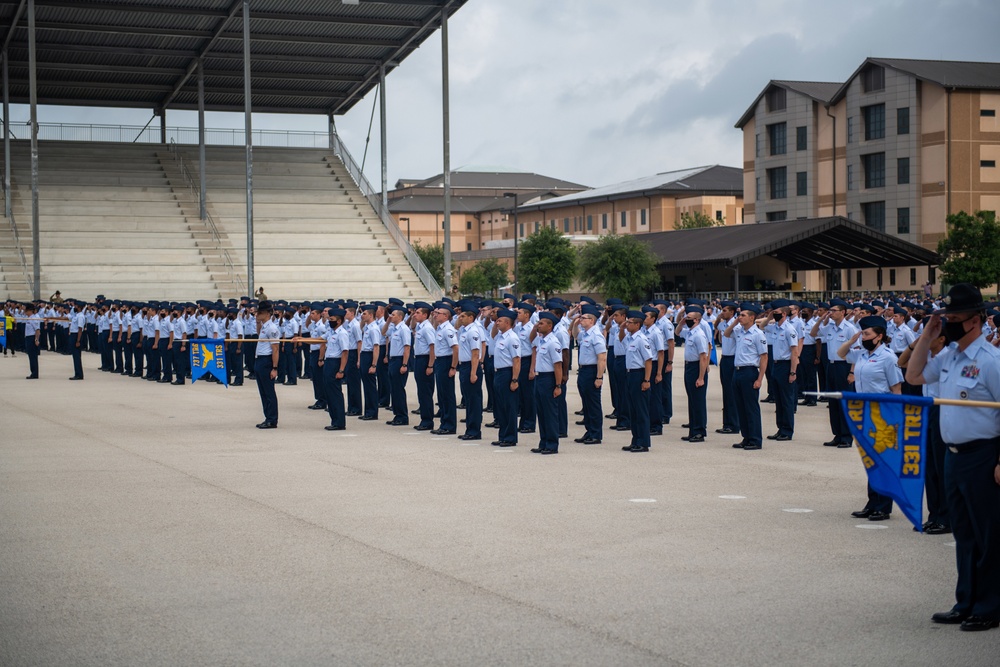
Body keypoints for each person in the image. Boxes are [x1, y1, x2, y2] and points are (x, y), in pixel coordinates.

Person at [907, 283, 1000, 632]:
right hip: (954, 456)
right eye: (944, 318)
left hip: (983, 455)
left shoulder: (991, 362)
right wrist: (926, 336)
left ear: (975, 320)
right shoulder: (950, 356)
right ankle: (966, 601)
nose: (947, 323)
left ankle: (990, 606)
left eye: (953, 318)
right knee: (963, 533)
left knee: (988, 533)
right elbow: (914, 375)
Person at [840, 315, 903, 522]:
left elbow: (896, 389)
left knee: (883, 460)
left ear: (880, 336)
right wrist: (852, 340)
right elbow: (840, 353)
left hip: (883, 412)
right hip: (865, 411)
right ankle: (872, 502)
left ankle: (883, 506)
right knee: (871, 461)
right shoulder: (862, 355)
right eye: (862, 333)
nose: (863, 337)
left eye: (867, 334)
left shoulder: (889, 357)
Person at [812, 298, 859, 447]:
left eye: (834, 311)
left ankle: (846, 437)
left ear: (843, 312)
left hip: (844, 367)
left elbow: (856, 351)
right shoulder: (830, 327)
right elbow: (813, 333)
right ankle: (837, 434)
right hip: (831, 366)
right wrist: (821, 319)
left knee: (844, 402)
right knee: (833, 402)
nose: (830, 313)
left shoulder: (850, 329)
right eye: (830, 310)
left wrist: (852, 372)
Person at [725, 304, 768, 450]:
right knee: (740, 407)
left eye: (743, 315)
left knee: (751, 408)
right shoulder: (739, 331)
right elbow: (726, 333)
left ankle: (755, 439)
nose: (740, 317)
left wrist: (759, 379)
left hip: (749, 372)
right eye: (739, 315)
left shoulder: (757, 334)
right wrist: (736, 322)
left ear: (752, 317)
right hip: (737, 371)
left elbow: (764, 357)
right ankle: (746, 437)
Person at [761, 301, 800, 441]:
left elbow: (794, 353)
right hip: (776, 365)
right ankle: (780, 428)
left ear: (784, 313)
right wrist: (769, 316)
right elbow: (761, 326)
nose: (775, 314)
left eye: (776, 312)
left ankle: (787, 431)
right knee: (778, 400)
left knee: (786, 400)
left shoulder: (789, 330)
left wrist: (792, 372)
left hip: (786, 365)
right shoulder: (776, 328)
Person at [530, 311, 563, 454]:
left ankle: (552, 444)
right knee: (541, 412)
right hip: (539, 378)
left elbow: (558, 365)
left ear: (550, 326)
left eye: (542, 323)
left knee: (549, 413)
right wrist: (535, 327)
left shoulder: (553, 342)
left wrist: (558, 385)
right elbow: (530, 339)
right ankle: (543, 442)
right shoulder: (541, 339)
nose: (538, 325)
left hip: (549, 379)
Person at [573, 304, 606, 445]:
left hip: (592, 371)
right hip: (584, 370)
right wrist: (575, 324)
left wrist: (599, 377)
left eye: (584, 318)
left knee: (593, 404)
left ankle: (596, 433)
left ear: (592, 320)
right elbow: (575, 335)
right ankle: (589, 431)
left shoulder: (596, 335)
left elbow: (602, 358)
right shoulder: (585, 333)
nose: (581, 319)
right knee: (586, 403)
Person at [621, 310, 653, 453]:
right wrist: (622, 328)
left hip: (639, 375)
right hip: (629, 375)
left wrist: (646, 380)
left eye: (630, 322)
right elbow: (621, 338)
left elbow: (648, 361)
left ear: (638, 324)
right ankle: (635, 440)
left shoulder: (641, 339)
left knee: (641, 410)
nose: (627, 324)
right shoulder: (630, 337)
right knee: (633, 410)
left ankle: (643, 442)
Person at [490, 308, 521, 447]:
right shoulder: (501, 336)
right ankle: (503, 435)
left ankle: (510, 437)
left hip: (507, 373)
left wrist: (514, 379)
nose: (497, 322)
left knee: (509, 407)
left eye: (500, 320)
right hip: (498, 373)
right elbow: (492, 334)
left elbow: (516, 360)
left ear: (507, 323)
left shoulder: (512, 338)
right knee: (501, 406)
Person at [680, 305, 710, 442]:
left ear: (697, 320)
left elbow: (703, 357)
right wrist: (681, 321)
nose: (687, 320)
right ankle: (693, 429)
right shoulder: (690, 332)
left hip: (696, 368)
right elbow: (677, 332)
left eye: (689, 318)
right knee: (692, 400)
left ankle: (699, 431)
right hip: (689, 367)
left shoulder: (699, 335)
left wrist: (701, 377)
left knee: (698, 401)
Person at [320, 308, 350, 431]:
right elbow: (319, 340)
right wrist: (300, 339)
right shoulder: (331, 331)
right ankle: (334, 420)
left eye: (331, 319)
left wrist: (341, 370)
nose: (329, 321)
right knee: (329, 393)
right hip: (329, 362)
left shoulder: (342, 333)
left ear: (338, 320)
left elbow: (345, 353)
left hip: (336, 364)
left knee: (335, 394)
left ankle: (339, 422)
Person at [456, 302, 483, 440]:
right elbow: (455, 326)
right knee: (468, 399)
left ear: (471, 317)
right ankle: (470, 429)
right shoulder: (464, 330)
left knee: (473, 401)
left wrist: (473, 373)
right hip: (464, 366)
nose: (460, 318)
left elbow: (475, 353)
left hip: (471, 367)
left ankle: (474, 431)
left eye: (462, 316)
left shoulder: (473, 331)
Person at [431, 304, 459, 436]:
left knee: (447, 394)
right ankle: (444, 423)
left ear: (446, 316)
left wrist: (453, 367)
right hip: (440, 361)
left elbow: (455, 348)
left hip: (446, 361)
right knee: (442, 394)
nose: (435, 315)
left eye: (439, 313)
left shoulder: (448, 329)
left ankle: (449, 425)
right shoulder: (440, 328)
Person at [253, 300, 280, 429]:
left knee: (269, 392)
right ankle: (267, 417)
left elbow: (275, 349)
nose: (258, 314)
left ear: (268, 313)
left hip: (267, 361)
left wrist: (274, 368)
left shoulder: (272, 328)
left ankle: (272, 419)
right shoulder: (264, 326)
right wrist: (258, 321)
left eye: (261, 313)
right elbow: (259, 334)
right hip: (260, 360)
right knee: (263, 392)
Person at [411, 303, 437, 431]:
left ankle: (427, 421)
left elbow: (432, 347)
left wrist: (430, 365)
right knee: (421, 391)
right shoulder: (420, 327)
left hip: (425, 360)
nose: (415, 315)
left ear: (425, 315)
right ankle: (424, 418)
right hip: (419, 359)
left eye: (417, 313)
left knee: (425, 392)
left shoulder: (427, 328)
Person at [715, 301, 740, 435]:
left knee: (731, 392)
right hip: (725, 358)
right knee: (726, 392)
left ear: (732, 312)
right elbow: (718, 332)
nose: (722, 312)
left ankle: (734, 424)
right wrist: (720, 317)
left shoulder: (736, 325)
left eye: (724, 310)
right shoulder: (723, 323)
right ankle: (727, 423)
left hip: (733, 358)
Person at [386, 305, 412, 426]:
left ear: (400, 317)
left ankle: (402, 416)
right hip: (392, 360)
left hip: (400, 360)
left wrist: (404, 364)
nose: (391, 316)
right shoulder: (394, 328)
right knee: (393, 389)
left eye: (393, 315)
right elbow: (383, 332)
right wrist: (388, 320)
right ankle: (397, 415)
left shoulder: (404, 329)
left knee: (398, 389)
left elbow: (407, 347)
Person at [358, 305, 380, 421]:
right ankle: (368, 411)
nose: (362, 316)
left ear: (371, 315)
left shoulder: (373, 329)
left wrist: (373, 365)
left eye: (364, 314)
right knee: (366, 385)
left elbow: (376, 347)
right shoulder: (367, 327)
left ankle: (372, 412)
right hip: (364, 355)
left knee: (370, 386)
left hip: (370, 355)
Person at [69, 301, 86, 380]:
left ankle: (79, 374)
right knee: (75, 356)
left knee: (77, 356)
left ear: (79, 307)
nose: (74, 307)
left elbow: (80, 329)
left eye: (76, 306)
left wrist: (78, 341)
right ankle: (77, 373)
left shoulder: (80, 316)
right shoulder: (76, 315)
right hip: (73, 335)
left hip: (77, 336)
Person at [23, 303, 41, 379]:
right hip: (28, 338)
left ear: (30, 310)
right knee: (31, 356)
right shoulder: (29, 318)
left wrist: (36, 339)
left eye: (26, 310)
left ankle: (34, 373)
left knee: (33, 356)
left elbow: (37, 330)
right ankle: (33, 372)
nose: (25, 312)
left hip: (32, 338)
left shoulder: (34, 319)